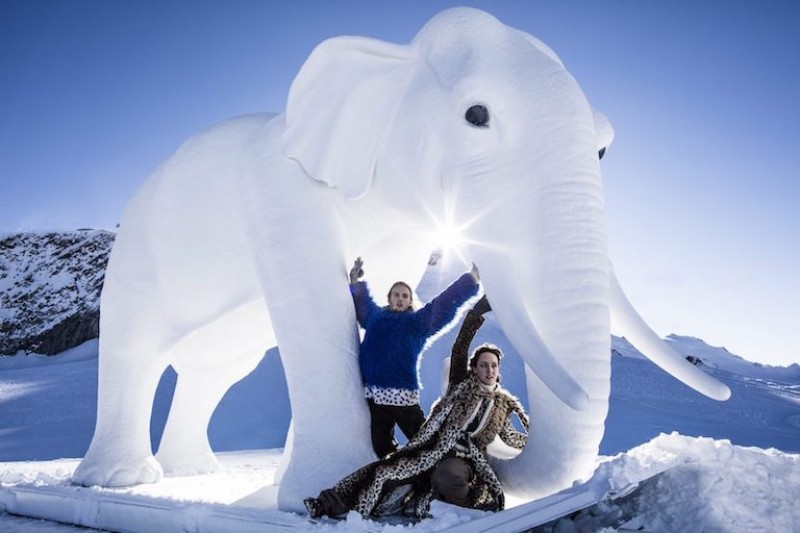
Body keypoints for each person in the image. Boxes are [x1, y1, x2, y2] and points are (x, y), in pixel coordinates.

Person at [304, 294, 529, 520]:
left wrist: (535, 437)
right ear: (474, 368)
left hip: (463, 460)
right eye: (483, 365)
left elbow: (512, 437)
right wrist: (476, 314)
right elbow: (460, 348)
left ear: (499, 370)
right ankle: (326, 503)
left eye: (493, 366)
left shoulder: (502, 406)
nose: (489, 370)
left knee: (447, 476)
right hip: (431, 450)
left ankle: (438, 502)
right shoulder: (460, 387)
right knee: (383, 471)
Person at [349, 257, 480, 459]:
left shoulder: (417, 323)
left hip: (402, 398)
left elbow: (444, 304)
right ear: (389, 298)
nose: (400, 298)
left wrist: (471, 280)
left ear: (410, 301)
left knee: (424, 441)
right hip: (375, 398)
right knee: (382, 448)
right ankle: (400, 480)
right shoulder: (375, 318)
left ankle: (445, 468)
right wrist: (355, 283)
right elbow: (363, 305)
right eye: (396, 295)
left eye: (405, 295)